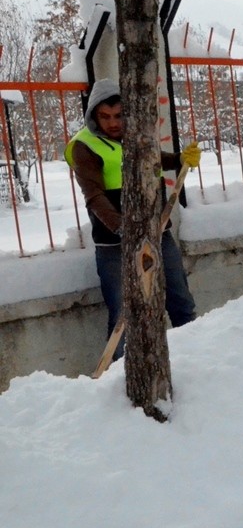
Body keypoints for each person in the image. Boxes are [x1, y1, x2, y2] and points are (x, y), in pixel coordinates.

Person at [64, 78, 200, 359]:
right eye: (105, 117)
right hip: (114, 245)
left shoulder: (136, 134)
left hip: (157, 233)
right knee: (122, 318)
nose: (113, 123)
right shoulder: (84, 146)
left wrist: (180, 159)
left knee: (181, 302)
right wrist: (121, 227)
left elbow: (153, 160)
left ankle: (194, 360)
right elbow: (94, 196)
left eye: (119, 116)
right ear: (93, 116)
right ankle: (119, 378)